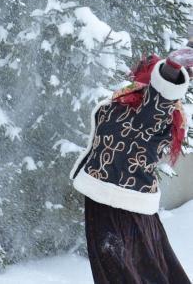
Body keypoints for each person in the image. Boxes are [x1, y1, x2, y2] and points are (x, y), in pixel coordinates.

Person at [69, 48, 193, 284]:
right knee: (143, 271)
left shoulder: (149, 113)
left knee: (127, 274)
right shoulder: (126, 102)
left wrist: (172, 70)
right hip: (108, 201)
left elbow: (161, 98)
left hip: (121, 209)